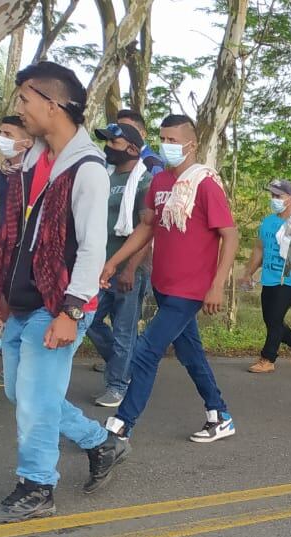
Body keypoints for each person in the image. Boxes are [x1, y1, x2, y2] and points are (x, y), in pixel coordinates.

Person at [0, 62, 127, 522]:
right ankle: (100, 442)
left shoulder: (87, 168)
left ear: (53, 103)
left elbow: (91, 247)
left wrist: (72, 310)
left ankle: (37, 487)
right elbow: (18, 235)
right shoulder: (31, 160)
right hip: (23, 299)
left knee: (37, 401)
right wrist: (3, 290)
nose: (19, 108)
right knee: (22, 396)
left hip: (58, 302)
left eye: (25, 99)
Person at [99, 113, 239, 444]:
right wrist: (114, 262)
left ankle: (122, 425)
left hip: (190, 290)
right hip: (164, 285)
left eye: (174, 140)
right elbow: (146, 228)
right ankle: (219, 415)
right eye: (163, 139)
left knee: (146, 351)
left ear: (192, 144)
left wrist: (217, 285)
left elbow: (230, 236)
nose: (167, 146)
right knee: (191, 354)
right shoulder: (160, 183)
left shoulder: (204, 184)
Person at [84, 120, 152, 408]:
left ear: (133, 148)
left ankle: (117, 385)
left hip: (127, 269)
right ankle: (128, 367)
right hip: (99, 266)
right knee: (90, 321)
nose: (108, 147)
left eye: (114, 142)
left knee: (125, 331)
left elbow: (147, 231)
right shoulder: (105, 177)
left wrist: (128, 267)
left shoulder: (145, 182)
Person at [0, 115, 35, 415]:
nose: (1, 138)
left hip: (23, 260)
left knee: (18, 317)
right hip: (3, 253)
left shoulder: (34, 175)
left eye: (8, 133)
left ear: (27, 141)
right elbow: (3, 222)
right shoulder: (5, 173)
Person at [239, 178, 291, 373]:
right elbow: (259, 249)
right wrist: (248, 273)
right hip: (268, 279)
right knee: (271, 320)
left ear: (290, 198)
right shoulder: (268, 222)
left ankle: (267, 359)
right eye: (272, 195)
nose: (274, 199)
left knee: (274, 319)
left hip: (288, 279)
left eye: (279, 196)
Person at [115, 108, 164, 174]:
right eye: (119, 130)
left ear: (143, 134)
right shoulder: (115, 159)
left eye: (128, 129)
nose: (122, 134)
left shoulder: (152, 163)